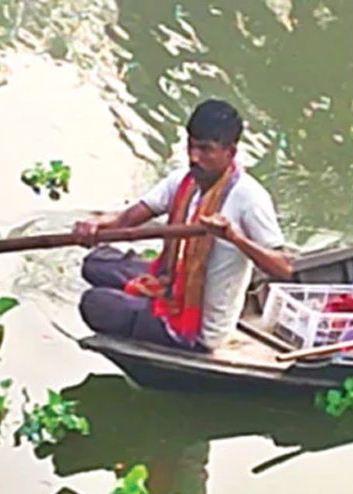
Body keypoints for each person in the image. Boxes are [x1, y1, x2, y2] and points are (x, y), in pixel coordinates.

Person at [73, 99, 293, 352]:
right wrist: (96, 225)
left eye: (205, 149)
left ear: (230, 153)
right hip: (173, 281)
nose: (194, 157)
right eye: (190, 146)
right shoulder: (184, 181)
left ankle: (157, 322)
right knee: (97, 262)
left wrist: (234, 238)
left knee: (95, 303)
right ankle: (149, 299)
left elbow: (284, 267)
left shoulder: (250, 198)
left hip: (201, 326)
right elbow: (127, 219)